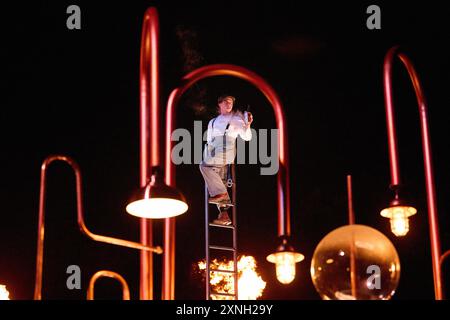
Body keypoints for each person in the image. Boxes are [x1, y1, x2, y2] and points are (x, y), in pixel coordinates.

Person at [199, 95, 253, 225]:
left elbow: (247, 137)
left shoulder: (236, 118)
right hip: (213, 149)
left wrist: (248, 125)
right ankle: (224, 215)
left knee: (204, 166)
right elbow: (210, 140)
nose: (229, 104)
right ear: (220, 104)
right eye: (226, 102)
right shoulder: (212, 121)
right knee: (218, 181)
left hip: (226, 148)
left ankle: (222, 195)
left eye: (231, 102)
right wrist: (208, 153)